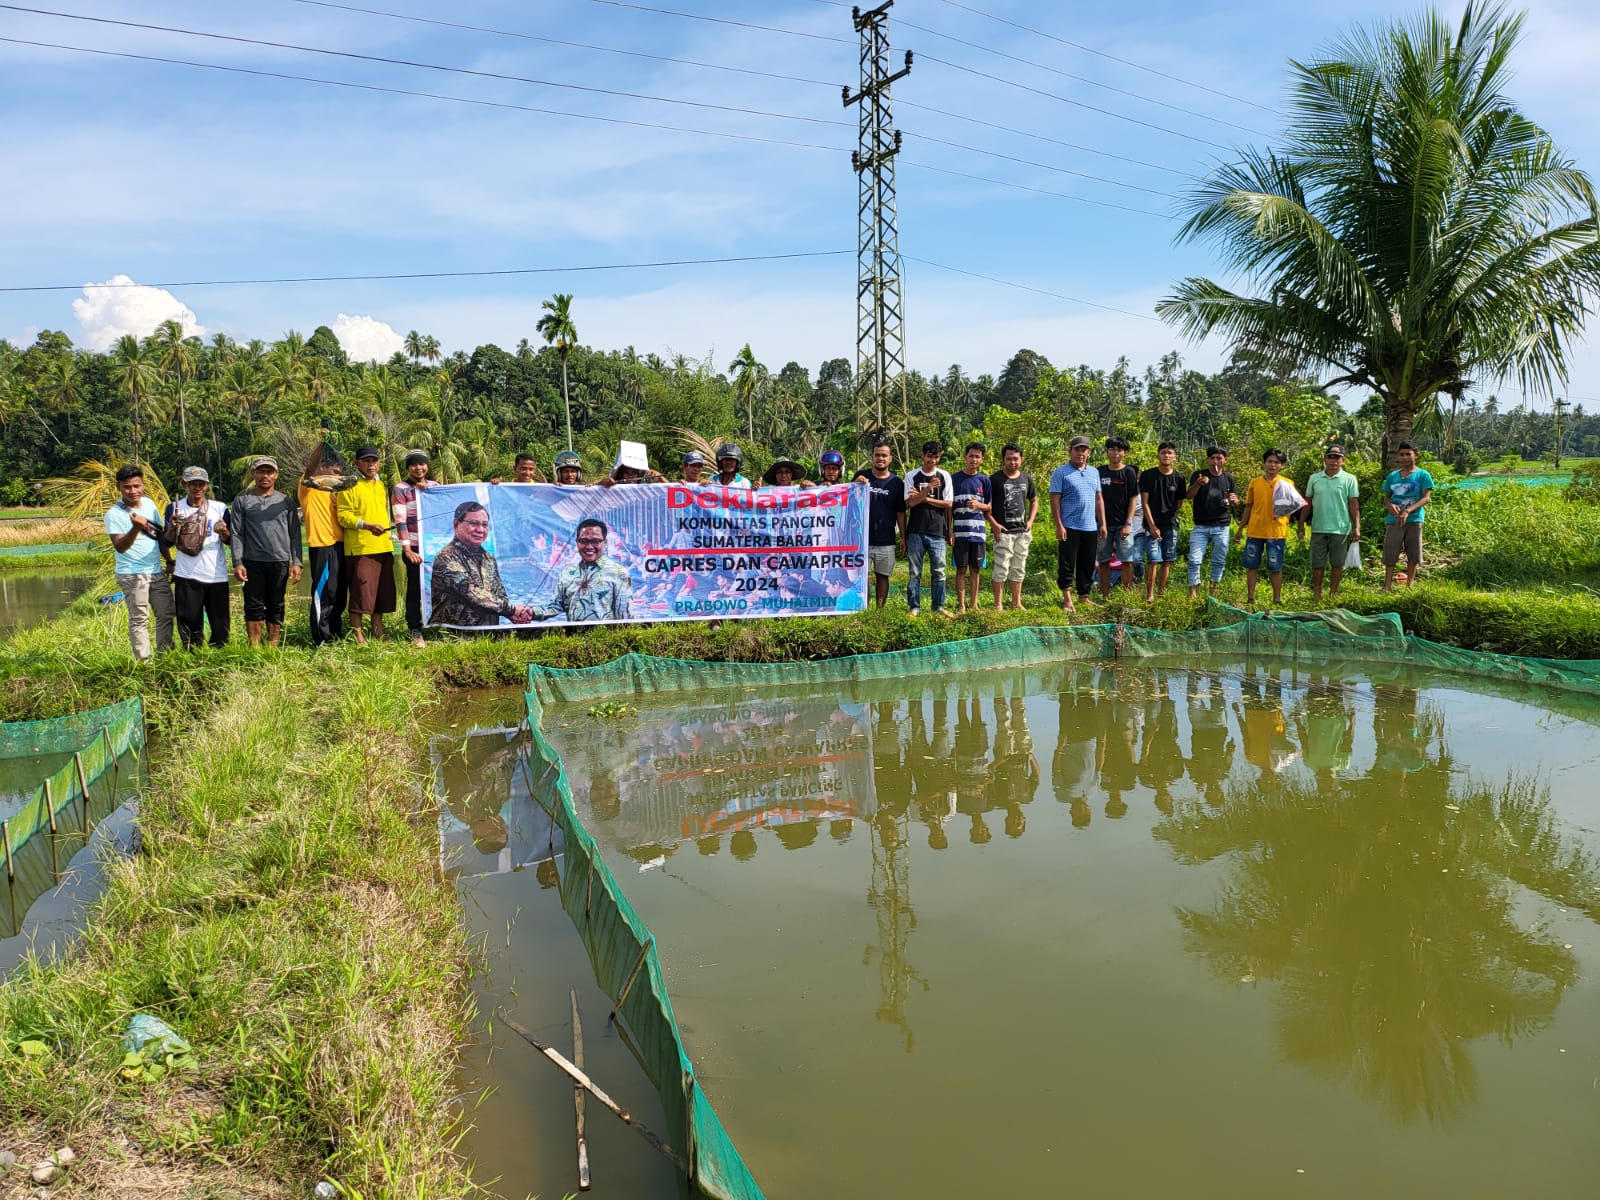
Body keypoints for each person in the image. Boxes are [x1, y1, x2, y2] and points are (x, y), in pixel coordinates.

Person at [104, 463, 175, 660]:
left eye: (137, 486)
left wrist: (169, 561)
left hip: (155, 570)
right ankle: (144, 662)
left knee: (166, 614)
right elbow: (120, 546)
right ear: (118, 487)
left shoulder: (149, 504)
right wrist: (135, 528)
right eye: (127, 487)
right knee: (139, 619)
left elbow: (158, 536)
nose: (133, 491)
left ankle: (165, 656)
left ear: (143, 485)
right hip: (132, 573)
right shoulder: (114, 514)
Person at [230, 456, 302, 647]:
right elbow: (236, 533)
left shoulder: (285, 502)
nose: (265, 476)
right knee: (253, 605)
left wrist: (297, 562)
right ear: (254, 474)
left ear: (276, 475)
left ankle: (273, 645)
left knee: (276, 604)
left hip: (279, 561)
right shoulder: (242, 500)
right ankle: (254, 646)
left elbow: (295, 533)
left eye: (269, 472)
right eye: (260, 471)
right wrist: (237, 562)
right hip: (252, 561)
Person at [429, 500, 534, 626]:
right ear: (457, 524)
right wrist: (512, 610)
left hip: (490, 636)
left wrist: (513, 615)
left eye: (485, 525)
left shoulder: (488, 558)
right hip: (454, 637)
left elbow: (499, 593)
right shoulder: (446, 557)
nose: (480, 529)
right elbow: (472, 593)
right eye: (474, 523)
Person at [336, 445, 396, 644]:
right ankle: (358, 634)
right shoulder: (349, 485)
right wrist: (367, 525)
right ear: (357, 463)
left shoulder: (381, 485)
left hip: (384, 546)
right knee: (361, 593)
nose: (371, 465)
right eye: (366, 461)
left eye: (374, 461)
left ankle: (377, 630)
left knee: (381, 593)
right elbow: (343, 516)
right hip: (360, 548)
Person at [166, 465, 231, 649]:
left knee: (221, 624)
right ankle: (192, 656)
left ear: (207, 485)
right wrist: (172, 527)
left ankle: (219, 656)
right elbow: (167, 541)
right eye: (192, 484)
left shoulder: (220, 508)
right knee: (189, 623)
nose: (197, 488)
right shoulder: (175, 509)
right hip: (186, 575)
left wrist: (224, 531)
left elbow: (230, 541)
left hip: (216, 575)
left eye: (201, 484)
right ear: (184, 485)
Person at [539, 518, 634, 622]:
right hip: (573, 637)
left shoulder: (619, 573)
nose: (589, 546)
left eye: (595, 541)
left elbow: (626, 618)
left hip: (607, 637)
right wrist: (531, 612)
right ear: (577, 542)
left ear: (605, 542)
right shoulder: (567, 573)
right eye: (584, 541)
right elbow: (555, 606)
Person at [1049, 435, 1104, 613]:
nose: (1080, 453)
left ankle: (1083, 597)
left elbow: (1098, 499)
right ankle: (1066, 599)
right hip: (1069, 526)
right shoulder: (1061, 472)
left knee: (1087, 563)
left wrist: (1102, 523)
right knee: (1067, 563)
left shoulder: (1094, 472)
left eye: (1084, 450)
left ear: (1088, 453)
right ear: (1070, 451)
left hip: (1090, 526)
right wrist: (1059, 525)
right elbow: (1054, 500)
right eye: (1077, 449)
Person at [299, 449, 347, 646]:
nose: (338, 477)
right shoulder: (309, 486)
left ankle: (335, 635)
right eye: (335, 472)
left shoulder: (337, 492)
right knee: (324, 592)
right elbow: (309, 466)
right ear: (323, 468)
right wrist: (323, 443)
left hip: (341, 545)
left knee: (339, 593)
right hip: (322, 544)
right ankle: (321, 638)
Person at [1238, 448, 1299, 607]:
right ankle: (1250, 598)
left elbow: (1292, 507)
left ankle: (1276, 599)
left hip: (1276, 532)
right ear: (1264, 463)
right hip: (1255, 531)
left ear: (1282, 465)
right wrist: (1240, 529)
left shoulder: (1287, 483)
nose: (1272, 465)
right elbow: (1248, 507)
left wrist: (1283, 517)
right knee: (1251, 566)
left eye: (1276, 462)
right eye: (1269, 461)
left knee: (1275, 567)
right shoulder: (1255, 483)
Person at [1303, 444, 1361, 601]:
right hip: (1318, 528)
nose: (1333, 461)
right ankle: (1317, 593)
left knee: (1337, 563)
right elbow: (1307, 502)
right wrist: (1301, 523)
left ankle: (1333, 592)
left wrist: (1357, 527)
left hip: (1340, 528)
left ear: (1343, 460)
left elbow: (1353, 504)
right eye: (1330, 457)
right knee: (1317, 563)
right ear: (1325, 459)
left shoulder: (1349, 479)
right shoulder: (1314, 478)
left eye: (1337, 458)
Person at [853, 442, 907, 610]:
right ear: (872, 457)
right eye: (877, 455)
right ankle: (865, 609)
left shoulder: (897, 483)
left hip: (886, 539)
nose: (880, 458)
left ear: (890, 458)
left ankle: (880, 610)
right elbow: (848, 498)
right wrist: (855, 484)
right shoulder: (861, 476)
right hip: (862, 539)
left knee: (883, 576)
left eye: (884, 455)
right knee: (863, 577)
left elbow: (900, 512)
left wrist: (904, 538)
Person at [390, 449, 435, 647]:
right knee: (415, 589)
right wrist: (407, 550)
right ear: (408, 467)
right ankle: (415, 629)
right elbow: (400, 521)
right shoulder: (400, 489)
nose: (419, 468)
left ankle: (441, 625)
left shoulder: (435, 487)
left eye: (422, 463)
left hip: (433, 548)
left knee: (439, 587)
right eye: (414, 464)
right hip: (414, 548)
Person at [904, 440, 953, 617]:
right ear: (922, 455)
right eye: (929, 456)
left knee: (939, 571)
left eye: (935, 457)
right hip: (916, 529)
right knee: (914, 571)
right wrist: (929, 489)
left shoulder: (945, 476)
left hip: (937, 530)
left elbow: (948, 503)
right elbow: (910, 502)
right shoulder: (912, 476)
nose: (931, 460)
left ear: (939, 458)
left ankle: (938, 606)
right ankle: (914, 607)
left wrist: (922, 497)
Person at [987, 443, 1037, 612]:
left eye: (1015, 459)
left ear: (1021, 459)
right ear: (1003, 459)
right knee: (1001, 567)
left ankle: (1016, 602)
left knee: (1019, 567)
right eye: (1009, 459)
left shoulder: (1026, 478)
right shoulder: (994, 480)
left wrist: (1030, 521)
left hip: (1022, 532)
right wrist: (993, 524)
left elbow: (1034, 500)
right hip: (1003, 532)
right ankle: (998, 604)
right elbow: (986, 506)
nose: (1012, 462)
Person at [1186, 446, 1238, 598]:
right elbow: (1188, 496)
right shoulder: (1199, 475)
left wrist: (1234, 500)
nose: (1215, 461)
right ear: (1208, 459)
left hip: (1222, 526)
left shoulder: (1228, 478)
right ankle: (1193, 594)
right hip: (1200, 526)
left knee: (1218, 560)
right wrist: (1198, 484)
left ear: (1225, 460)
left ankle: (1213, 593)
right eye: (1212, 458)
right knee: (1194, 559)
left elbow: (1234, 500)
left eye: (1219, 458)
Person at [1382, 442, 1433, 590]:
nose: (1404, 457)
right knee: (1390, 553)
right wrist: (1390, 505)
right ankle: (1387, 586)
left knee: (1413, 553)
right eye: (1402, 454)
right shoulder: (1393, 476)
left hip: (1414, 520)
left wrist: (1408, 510)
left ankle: (1409, 585)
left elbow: (1426, 498)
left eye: (1408, 454)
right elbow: (1387, 497)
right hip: (1394, 521)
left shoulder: (1423, 475)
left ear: (1415, 455)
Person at [1138, 442, 1183, 602]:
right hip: (1151, 525)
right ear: (1158, 455)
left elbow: (1179, 502)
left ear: (1174, 456)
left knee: (1167, 560)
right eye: (1163, 452)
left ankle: (1161, 594)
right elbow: (1144, 503)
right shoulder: (1148, 475)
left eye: (1170, 453)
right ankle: (1149, 594)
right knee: (1153, 560)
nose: (1166, 455)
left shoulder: (1179, 478)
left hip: (1170, 525)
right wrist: (1152, 526)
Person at [951, 442, 992, 613]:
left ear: (981, 459)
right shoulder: (954, 479)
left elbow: (989, 506)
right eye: (971, 456)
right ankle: (961, 605)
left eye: (977, 456)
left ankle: (974, 604)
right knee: (961, 568)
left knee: (976, 569)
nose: (974, 459)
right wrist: (950, 531)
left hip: (978, 533)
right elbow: (949, 507)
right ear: (965, 457)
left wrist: (978, 505)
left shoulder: (984, 480)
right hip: (960, 533)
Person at [1096, 437, 1140, 596]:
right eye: (1112, 449)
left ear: (1125, 453)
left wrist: (1128, 523)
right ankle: (1105, 595)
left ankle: (1126, 595)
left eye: (1119, 450)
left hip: (1123, 524)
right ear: (1107, 451)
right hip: (1103, 525)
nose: (1115, 453)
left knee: (1127, 561)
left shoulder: (1129, 472)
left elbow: (1133, 499)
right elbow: (1096, 497)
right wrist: (1101, 523)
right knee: (1103, 561)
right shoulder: (1099, 471)